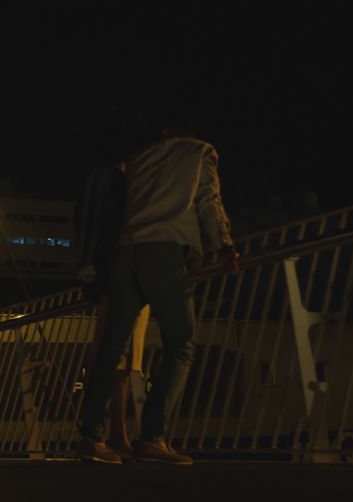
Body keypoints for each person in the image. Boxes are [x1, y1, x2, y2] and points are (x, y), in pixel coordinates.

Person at [77, 107, 241, 465]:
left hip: (126, 252)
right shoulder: (200, 152)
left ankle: (92, 438)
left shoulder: (139, 157)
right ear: (191, 132)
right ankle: (152, 437)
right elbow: (208, 201)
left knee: (110, 346)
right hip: (166, 252)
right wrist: (224, 246)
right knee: (180, 343)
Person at [74, 102, 151, 461]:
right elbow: (94, 224)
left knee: (122, 360)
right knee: (112, 354)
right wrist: (88, 267)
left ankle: (116, 436)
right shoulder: (111, 176)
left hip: (120, 272)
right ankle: (97, 437)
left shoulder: (116, 175)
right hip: (115, 272)